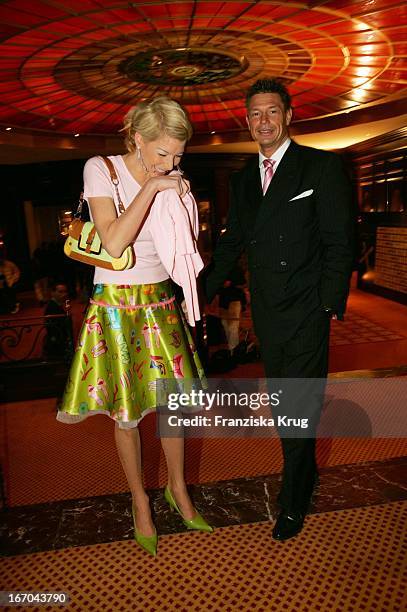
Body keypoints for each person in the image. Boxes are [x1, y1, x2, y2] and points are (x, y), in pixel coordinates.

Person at [57, 97, 212, 556]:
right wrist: (153, 187)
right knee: (127, 415)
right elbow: (115, 238)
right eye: (162, 152)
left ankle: (178, 489)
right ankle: (139, 499)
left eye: (178, 156)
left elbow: (182, 246)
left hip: (160, 300)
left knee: (173, 408)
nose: (171, 163)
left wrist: (177, 194)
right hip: (115, 304)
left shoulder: (172, 177)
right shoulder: (99, 168)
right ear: (138, 139)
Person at [204, 78, 354, 541]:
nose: (263, 121)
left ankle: (293, 500)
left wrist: (327, 302)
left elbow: (340, 240)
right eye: (254, 114)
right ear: (246, 120)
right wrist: (198, 293)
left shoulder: (320, 168)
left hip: (307, 307)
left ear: (288, 115)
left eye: (271, 112)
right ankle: (300, 478)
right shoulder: (244, 180)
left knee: (297, 406)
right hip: (267, 310)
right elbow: (231, 243)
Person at [43, 281, 72, 360]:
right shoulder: (52, 307)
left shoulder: (57, 304)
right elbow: (53, 328)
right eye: (60, 292)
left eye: (65, 291)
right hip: (57, 345)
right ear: (53, 293)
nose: (64, 294)